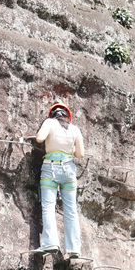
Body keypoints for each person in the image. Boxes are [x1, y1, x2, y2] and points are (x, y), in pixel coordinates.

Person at [33, 101, 85, 258]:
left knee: (49, 206)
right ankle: (74, 248)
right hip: (69, 170)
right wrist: (69, 149)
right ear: (67, 116)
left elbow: (40, 138)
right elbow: (81, 154)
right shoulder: (75, 129)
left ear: (53, 114)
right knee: (71, 209)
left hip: (51, 168)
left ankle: (50, 243)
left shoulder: (49, 123)